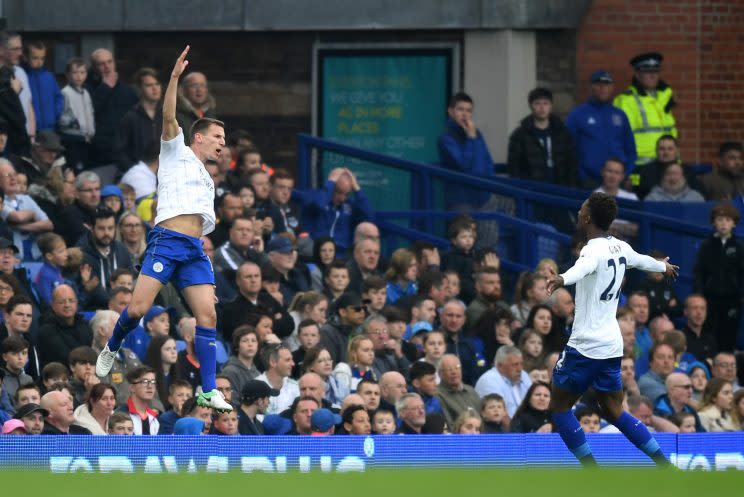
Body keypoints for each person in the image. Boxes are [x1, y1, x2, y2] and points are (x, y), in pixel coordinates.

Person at [95, 47, 230, 412]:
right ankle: (111, 346)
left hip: (193, 248)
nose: (222, 144)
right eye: (218, 137)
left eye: (224, 139)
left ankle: (207, 389)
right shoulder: (177, 151)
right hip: (166, 241)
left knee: (209, 316)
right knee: (137, 310)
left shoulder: (208, 179)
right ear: (198, 137)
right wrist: (173, 79)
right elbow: (169, 114)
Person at [545, 191, 678, 467]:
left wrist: (561, 278)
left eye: (582, 208)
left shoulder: (591, 249)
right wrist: (663, 266)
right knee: (614, 410)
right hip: (611, 345)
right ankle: (663, 463)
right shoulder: (620, 246)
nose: (580, 211)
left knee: (559, 408)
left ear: (587, 217)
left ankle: (593, 472)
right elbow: (643, 261)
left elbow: (582, 268)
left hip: (585, 344)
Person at [566, 70, 636, 186]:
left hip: (618, 183)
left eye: (607, 84)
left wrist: (625, 174)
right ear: (591, 87)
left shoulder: (620, 115)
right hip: (588, 182)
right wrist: (581, 176)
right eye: (598, 84)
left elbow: (631, 150)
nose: (603, 88)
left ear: (612, 87)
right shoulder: (577, 114)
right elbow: (568, 150)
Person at [613, 52, 677, 176]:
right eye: (648, 72)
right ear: (637, 75)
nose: (653, 76)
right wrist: (626, 171)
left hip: (667, 167)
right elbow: (618, 140)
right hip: (639, 168)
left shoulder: (664, 98)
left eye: (656, 71)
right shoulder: (625, 101)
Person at [692, 203, 744, 352]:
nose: (723, 223)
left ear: (734, 223)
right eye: (720, 219)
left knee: (729, 333)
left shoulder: (739, 246)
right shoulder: (707, 245)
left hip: (732, 299)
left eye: (727, 220)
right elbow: (699, 271)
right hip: (710, 298)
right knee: (709, 331)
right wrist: (699, 294)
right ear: (714, 222)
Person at [437, 92, 495, 211]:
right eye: (460, 109)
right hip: (461, 199)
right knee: (463, 229)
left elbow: (486, 160)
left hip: (483, 196)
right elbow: (463, 165)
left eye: (469, 111)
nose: (465, 114)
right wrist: (471, 138)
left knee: (490, 230)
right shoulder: (446, 138)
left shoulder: (476, 133)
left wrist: (488, 186)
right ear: (451, 112)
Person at [507, 87, 577, 187]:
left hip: (560, 190)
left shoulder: (562, 133)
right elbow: (514, 167)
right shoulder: (520, 135)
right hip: (531, 192)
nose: (542, 107)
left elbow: (571, 163)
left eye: (545, 103)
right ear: (531, 106)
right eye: (537, 103)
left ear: (551, 106)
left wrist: (570, 187)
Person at [114, 67, 163, 171]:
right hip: (140, 175)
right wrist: (135, 170)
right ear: (140, 89)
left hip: (165, 174)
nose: (155, 88)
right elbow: (119, 151)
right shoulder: (130, 117)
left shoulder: (167, 115)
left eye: (157, 84)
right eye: (149, 85)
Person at [58, 57, 95, 171]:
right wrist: (72, 122)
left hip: (86, 138)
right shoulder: (65, 93)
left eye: (82, 72)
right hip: (72, 138)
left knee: (85, 169)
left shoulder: (86, 93)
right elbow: (60, 115)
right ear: (68, 75)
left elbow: (90, 112)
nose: (79, 76)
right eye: (75, 72)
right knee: (76, 169)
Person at [474, 345, 532, 417]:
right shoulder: (489, 380)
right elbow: (500, 416)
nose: (520, 369)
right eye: (515, 365)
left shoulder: (523, 375)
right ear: (499, 366)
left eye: (521, 364)